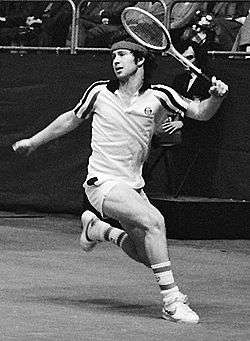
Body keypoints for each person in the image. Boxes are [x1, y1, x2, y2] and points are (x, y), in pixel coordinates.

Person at [12, 33, 228, 324]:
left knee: (146, 254)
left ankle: (99, 230)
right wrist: (34, 141)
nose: (115, 61)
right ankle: (171, 301)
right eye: (113, 56)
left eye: (122, 56)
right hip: (101, 183)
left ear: (140, 60)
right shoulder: (99, 92)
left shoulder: (160, 94)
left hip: (133, 186)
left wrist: (215, 97)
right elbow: (70, 119)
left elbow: (201, 113)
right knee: (155, 222)